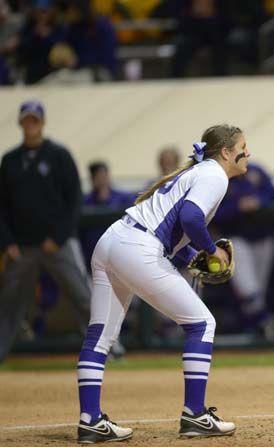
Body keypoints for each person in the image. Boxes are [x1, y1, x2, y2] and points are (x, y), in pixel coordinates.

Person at [74, 124, 247, 442]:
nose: (246, 153)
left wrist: (191, 259)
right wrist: (212, 251)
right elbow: (191, 219)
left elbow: (174, 231)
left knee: (99, 337)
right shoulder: (214, 175)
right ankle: (195, 415)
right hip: (137, 248)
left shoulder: (199, 172)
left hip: (113, 240)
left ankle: (90, 420)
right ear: (225, 152)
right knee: (202, 324)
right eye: (242, 147)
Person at [0, 100, 90, 362]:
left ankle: (105, 349)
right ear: (20, 123)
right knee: (9, 302)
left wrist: (59, 236)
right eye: (26, 120)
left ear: (42, 122)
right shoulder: (10, 160)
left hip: (58, 244)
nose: (30, 125)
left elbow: (74, 200)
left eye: (34, 120)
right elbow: (1, 208)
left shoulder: (58, 155)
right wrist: (7, 242)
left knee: (82, 296)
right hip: (22, 246)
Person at [213, 161, 274, 338]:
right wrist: (238, 207)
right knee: (247, 288)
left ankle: (257, 329)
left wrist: (259, 201)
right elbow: (213, 213)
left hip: (263, 237)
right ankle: (264, 321)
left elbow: (273, 194)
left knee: (258, 290)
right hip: (236, 238)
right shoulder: (220, 177)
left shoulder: (258, 171)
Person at [80, 161, 136, 267]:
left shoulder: (123, 198)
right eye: (97, 176)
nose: (101, 179)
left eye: (103, 175)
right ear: (92, 179)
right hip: (92, 258)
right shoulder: (85, 201)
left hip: (119, 256)